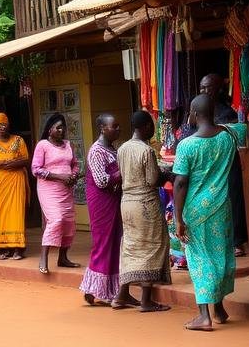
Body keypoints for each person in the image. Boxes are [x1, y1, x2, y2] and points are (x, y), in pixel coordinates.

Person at [174, 93, 240, 331]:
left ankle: (204, 316)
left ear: (193, 113)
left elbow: (180, 183)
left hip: (196, 210)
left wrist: (178, 218)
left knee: (200, 259)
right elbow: (244, 131)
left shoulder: (187, 145)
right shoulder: (228, 137)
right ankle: (220, 309)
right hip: (222, 206)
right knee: (221, 256)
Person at [180, 73, 249, 257]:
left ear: (218, 89)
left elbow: (240, 136)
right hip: (204, 167)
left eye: (208, 87)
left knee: (232, 199)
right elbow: (188, 135)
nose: (204, 91)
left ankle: (237, 241)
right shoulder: (195, 112)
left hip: (226, 164)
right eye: (202, 87)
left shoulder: (227, 113)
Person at [116, 110, 170, 312]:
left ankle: (121, 295)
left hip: (127, 202)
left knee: (130, 246)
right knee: (152, 245)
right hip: (145, 203)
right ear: (147, 126)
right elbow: (152, 180)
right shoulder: (146, 151)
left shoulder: (122, 148)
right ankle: (146, 300)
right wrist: (166, 174)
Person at [80, 113, 123, 306]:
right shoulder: (97, 151)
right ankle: (93, 288)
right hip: (101, 202)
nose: (118, 129)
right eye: (114, 126)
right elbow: (102, 180)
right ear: (102, 129)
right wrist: (122, 172)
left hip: (113, 200)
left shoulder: (112, 149)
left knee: (114, 242)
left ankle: (109, 289)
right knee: (103, 242)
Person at [32, 112, 80, 275]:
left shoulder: (68, 145)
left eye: (63, 127)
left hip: (66, 189)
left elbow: (75, 164)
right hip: (49, 189)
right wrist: (59, 176)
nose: (62, 130)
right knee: (56, 219)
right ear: (49, 129)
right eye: (58, 128)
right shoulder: (43, 145)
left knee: (68, 221)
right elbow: (36, 169)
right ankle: (44, 258)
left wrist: (73, 176)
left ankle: (63, 257)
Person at [0, 112, 30, 260]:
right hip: (0, 184)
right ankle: (6, 248)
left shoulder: (18, 140)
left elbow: (25, 159)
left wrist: (13, 164)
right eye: (0, 124)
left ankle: (18, 248)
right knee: (3, 214)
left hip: (16, 180)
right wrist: (3, 162)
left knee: (17, 213)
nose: (3, 127)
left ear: (9, 125)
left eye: (5, 124)